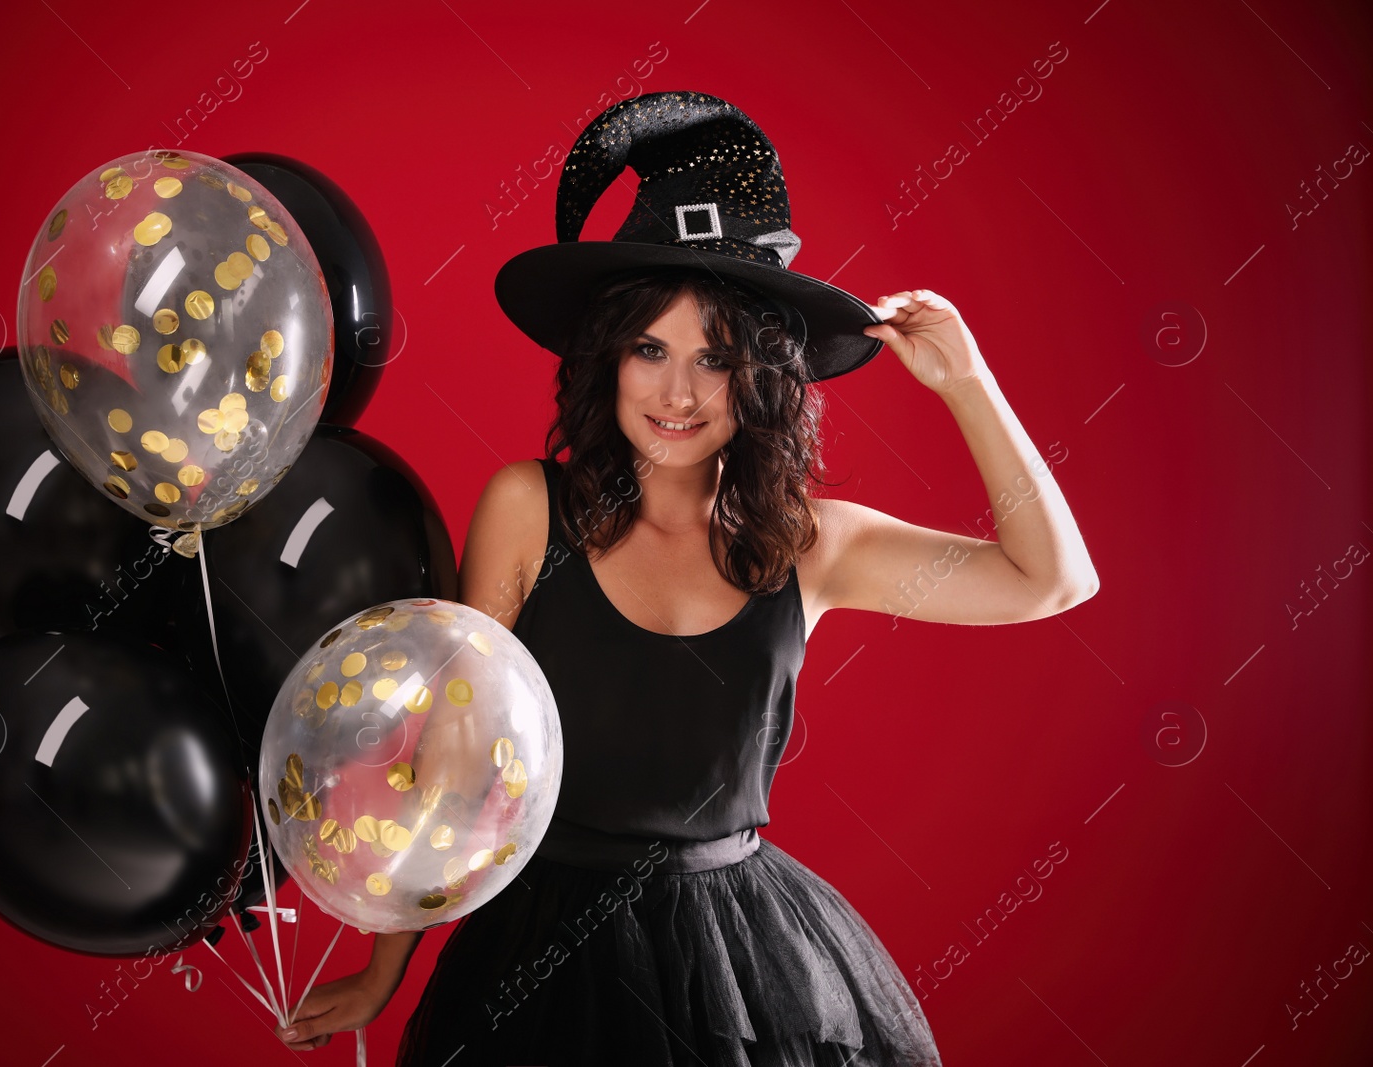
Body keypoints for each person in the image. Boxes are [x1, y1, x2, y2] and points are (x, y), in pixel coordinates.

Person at [275, 92, 1099, 1065]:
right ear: (605, 359)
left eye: (715, 358)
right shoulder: (528, 509)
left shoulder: (810, 543)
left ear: (762, 378)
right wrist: (385, 969)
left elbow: (1049, 579)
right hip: (539, 960)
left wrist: (968, 384)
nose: (676, 392)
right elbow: (455, 766)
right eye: (649, 350)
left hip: (742, 962)